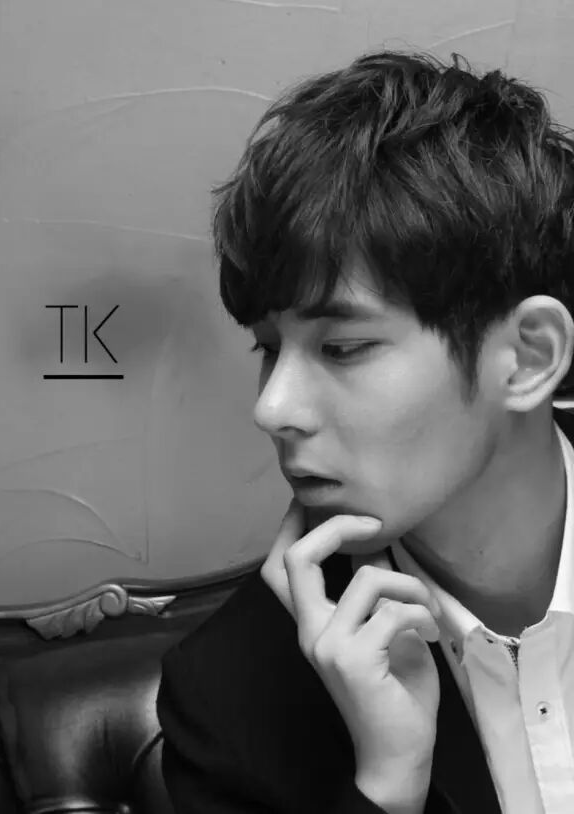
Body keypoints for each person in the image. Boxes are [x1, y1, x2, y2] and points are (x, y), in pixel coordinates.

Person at [156, 49, 574, 814]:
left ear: (528, 358)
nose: (273, 407)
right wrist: (386, 785)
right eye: (268, 348)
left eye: (342, 347)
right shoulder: (231, 695)